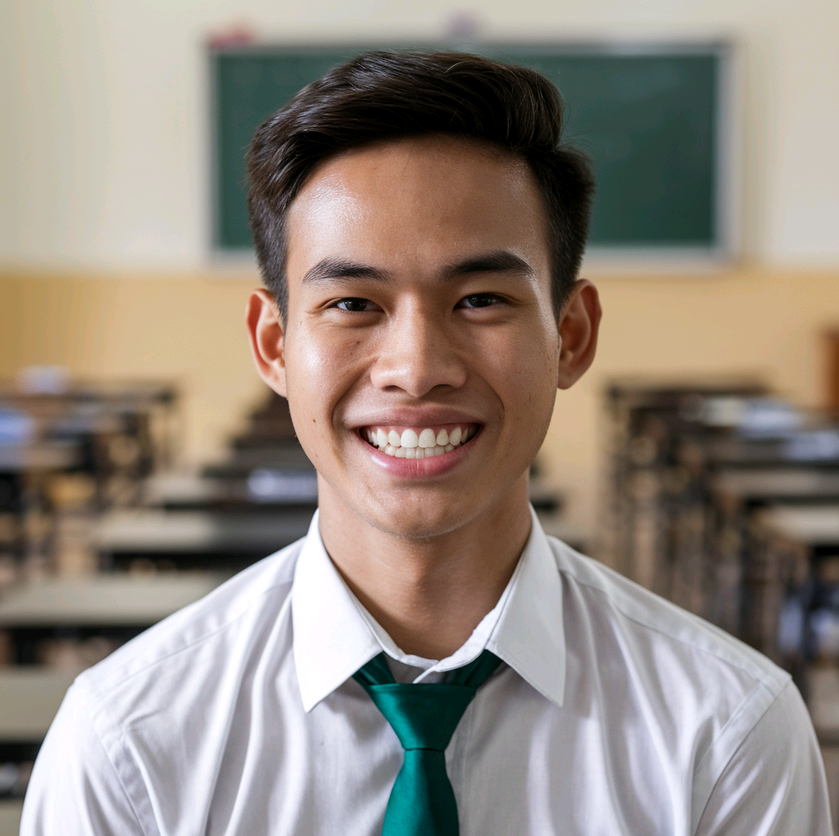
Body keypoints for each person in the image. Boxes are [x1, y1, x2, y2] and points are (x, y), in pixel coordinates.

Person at [21, 51, 831, 835]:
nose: (416, 369)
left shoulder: (725, 731)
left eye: (479, 299)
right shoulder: (130, 740)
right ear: (272, 344)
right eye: (352, 304)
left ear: (571, 336)